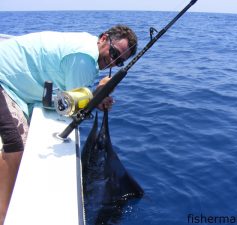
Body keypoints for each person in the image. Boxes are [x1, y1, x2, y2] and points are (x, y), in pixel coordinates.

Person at [0, 25, 138, 225]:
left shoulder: (89, 47)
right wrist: (97, 93)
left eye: (119, 62)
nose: (113, 61)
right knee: (16, 144)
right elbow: (70, 108)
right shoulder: (85, 58)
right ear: (104, 38)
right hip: (4, 80)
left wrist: (96, 98)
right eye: (114, 53)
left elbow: (71, 96)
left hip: (17, 86)